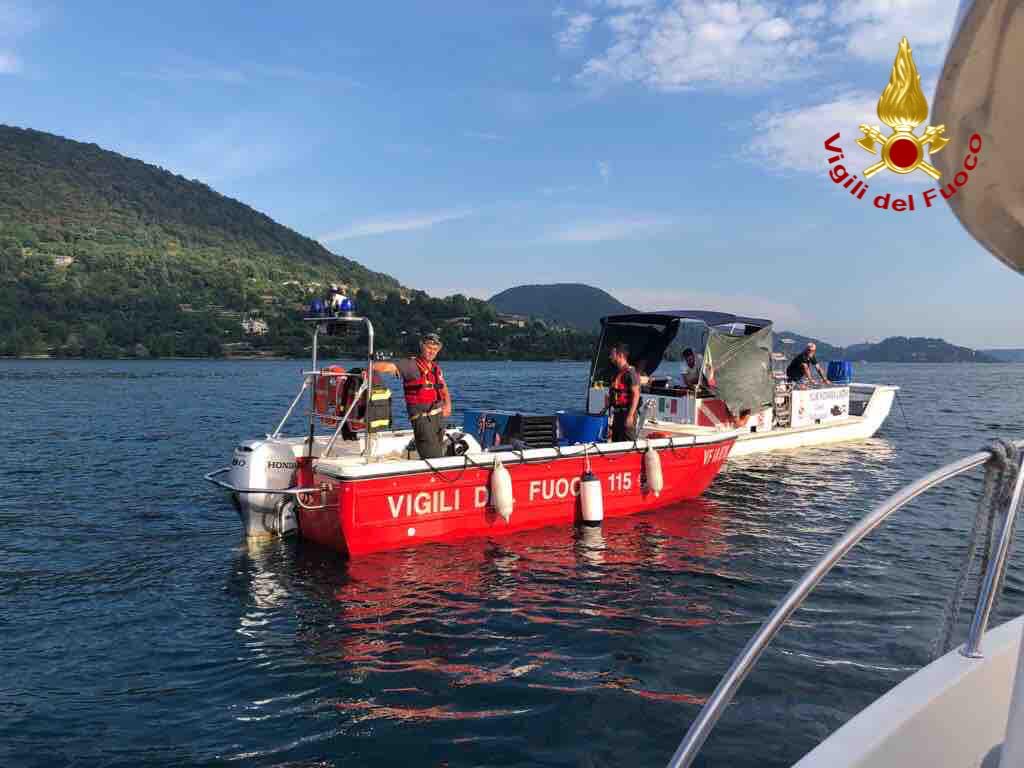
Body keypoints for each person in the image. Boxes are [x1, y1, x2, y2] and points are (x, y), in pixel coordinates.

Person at [373, 332, 452, 459]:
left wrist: (448, 405)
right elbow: (388, 367)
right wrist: (372, 366)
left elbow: (443, 387)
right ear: (422, 346)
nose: (432, 352)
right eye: (429, 348)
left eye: (435, 349)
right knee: (434, 459)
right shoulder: (411, 365)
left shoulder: (435, 368)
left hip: (439, 418)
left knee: (439, 453)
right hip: (423, 421)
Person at [606, 343, 641, 442]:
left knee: (628, 441)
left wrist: (630, 416)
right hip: (617, 414)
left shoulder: (631, 373)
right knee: (616, 441)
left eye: (612, 354)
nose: (610, 357)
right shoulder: (617, 373)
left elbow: (636, 394)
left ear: (620, 355)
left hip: (627, 413)